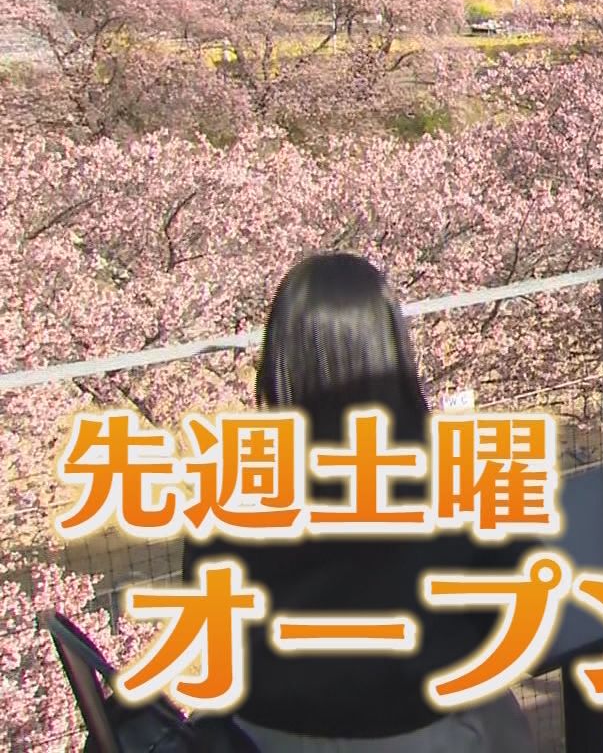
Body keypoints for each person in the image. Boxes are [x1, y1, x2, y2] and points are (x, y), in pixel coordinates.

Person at [182, 253, 536, 752]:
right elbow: (514, 599)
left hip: (261, 736)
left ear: (279, 350)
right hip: (420, 733)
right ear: (393, 345)